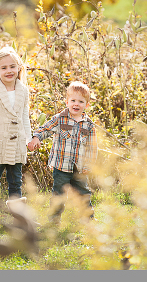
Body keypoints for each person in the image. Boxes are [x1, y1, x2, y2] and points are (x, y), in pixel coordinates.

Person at [0, 46, 33, 226]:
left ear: (19, 68)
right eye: (3, 68)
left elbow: (25, 117)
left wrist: (29, 139)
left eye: (12, 66)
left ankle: (19, 219)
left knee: (16, 182)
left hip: (17, 145)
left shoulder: (23, 91)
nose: (8, 71)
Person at [28, 81, 97, 219]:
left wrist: (89, 165)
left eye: (81, 101)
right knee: (58, 193)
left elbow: (92, 148)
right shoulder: (60, 119)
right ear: (67, 102)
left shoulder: (89, 125)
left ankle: (88, 218)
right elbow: (46, 129)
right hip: (61, 167)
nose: (76, 104)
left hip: (80, 168)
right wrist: (36, 138)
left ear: (87, 105)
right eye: (73, 100)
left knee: (84, 193)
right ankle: (54, 219)